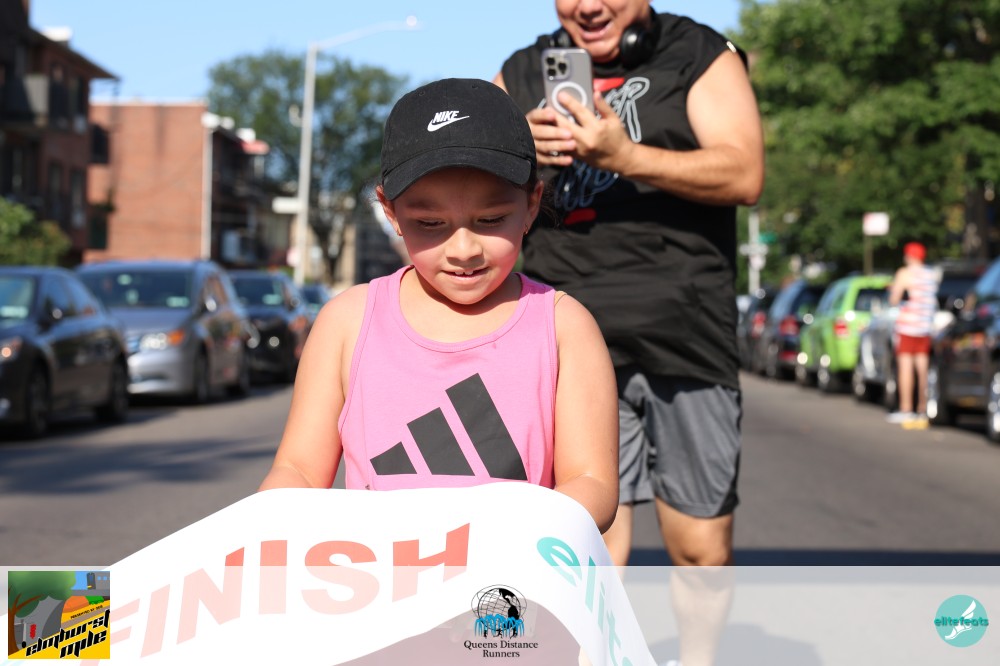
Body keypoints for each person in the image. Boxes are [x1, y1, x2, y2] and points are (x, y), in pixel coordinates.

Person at [258, 78, 619, 535]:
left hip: (511, 573)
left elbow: (591, 481)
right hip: (377, 574)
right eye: (430, 223)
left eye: (491, 219)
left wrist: (509, 536)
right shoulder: (346, 322)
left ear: (532, 205)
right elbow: (299, 471)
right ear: (390, 212)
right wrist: (260, 528)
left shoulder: (564, 325)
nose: (463, 249)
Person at [494, 0, 764, 572]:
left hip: (685, 332)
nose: (589, 6)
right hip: (569, 335)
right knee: (588, 547)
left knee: (700, 550)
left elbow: (745, 174)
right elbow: (473, 197)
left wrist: (626, 156)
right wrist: (513, 153)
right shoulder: (518, 72)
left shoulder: (697, 53)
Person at [886, 241, 940, 429]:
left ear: (909, 256)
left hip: (908, 328)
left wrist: (894, 291)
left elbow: (894, 299)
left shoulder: (904, 273)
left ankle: (906, 409)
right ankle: (922, 409)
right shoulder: (931, 274)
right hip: (925, 328)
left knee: (905, 370)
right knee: (922, 370)